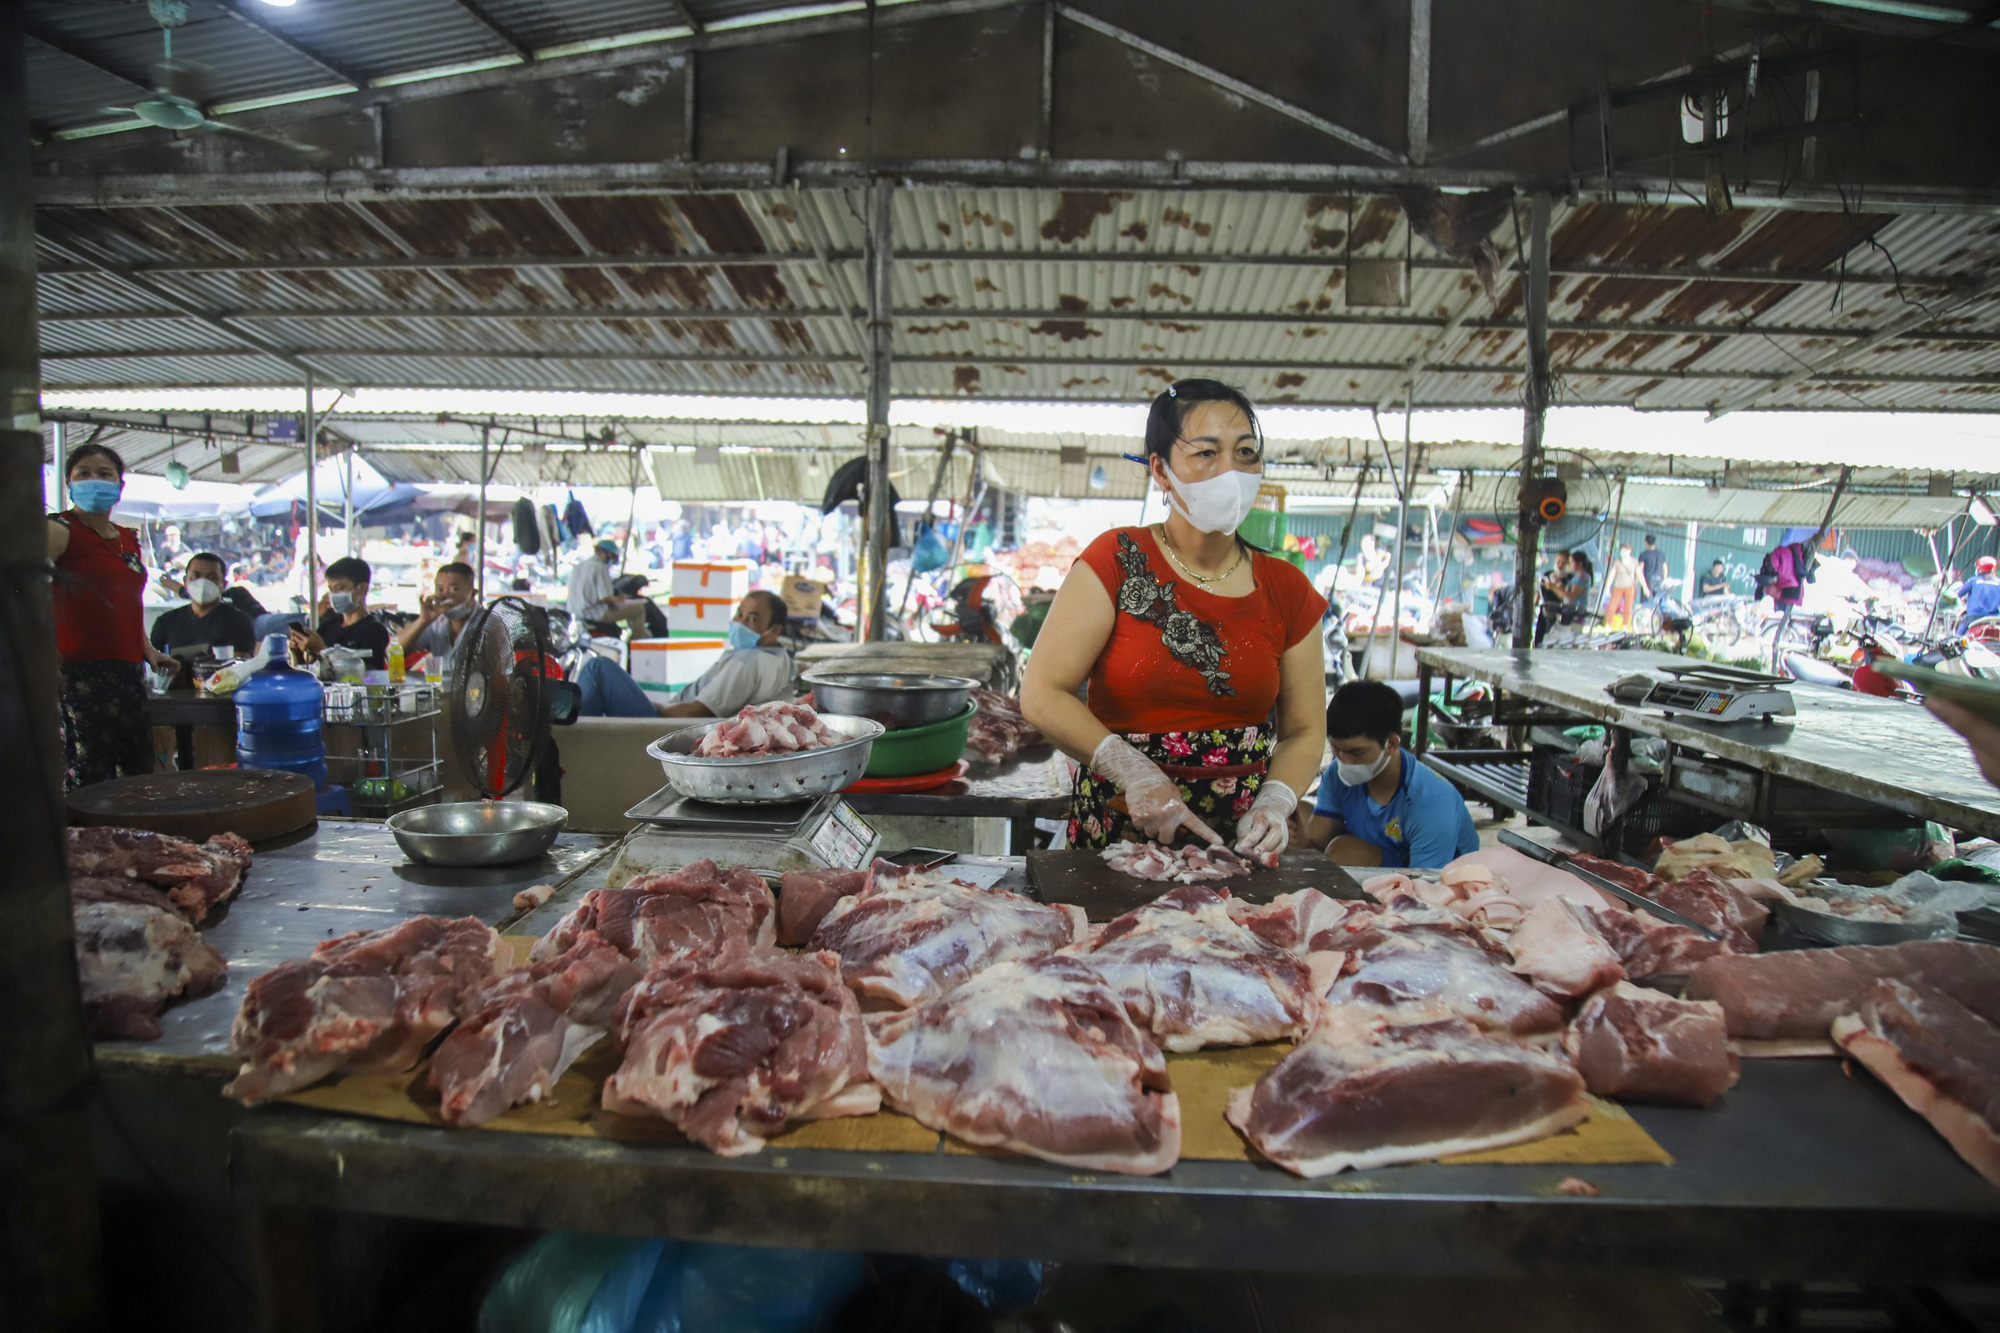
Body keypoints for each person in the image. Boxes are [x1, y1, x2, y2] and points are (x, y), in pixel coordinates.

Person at [1021, 379, 1327, 857]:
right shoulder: (1117, 560)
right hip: (1120, 833)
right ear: (1161, 471)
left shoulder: (1287, 589)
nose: (1232, 470)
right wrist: (1133, 771)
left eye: (1246, 453)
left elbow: (1305, 729)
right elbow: (1041, 694)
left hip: (1238, 843)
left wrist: (1277, 799)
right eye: (1206, 453)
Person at [48, 444, 178, 787]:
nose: (94, 481)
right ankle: (81, 841)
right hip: (76, 673)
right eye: (83, 474)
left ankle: (128, 842)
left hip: (127, 672)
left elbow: (124, 603)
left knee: (134, 770)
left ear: (120, 486)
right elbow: (22, 590)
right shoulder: (59, 530)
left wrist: (148, 649)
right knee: (85, 773)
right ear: (69, 485)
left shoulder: (127, 539)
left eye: (104, 474)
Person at [1301, 680, 1478, 868]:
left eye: (1356, 753)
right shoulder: (1337, 776)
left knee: (1344, 852)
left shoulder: (1430, 801)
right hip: (1384, 858)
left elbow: (1425, 886)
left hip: (1438, 878)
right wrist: (1294, 834)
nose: (1344, 761)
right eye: (1336, 749)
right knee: (1300, 814)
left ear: (1391, 745)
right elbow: (1316, 840)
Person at [574, 591, 794, 718]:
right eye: (739, 614)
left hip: (663, 730)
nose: (740, 623)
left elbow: (694, 713)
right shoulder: (781, 658)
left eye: (752, 619)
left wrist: (657, 707)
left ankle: (575, 739)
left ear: (773, 630)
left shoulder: (747, 662)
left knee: (599, 668)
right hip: (670, 720)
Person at [149, 551, 258, 670]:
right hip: (175, 687)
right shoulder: (166, 622)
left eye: (212, 577)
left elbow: (241, 668)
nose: (203, 582)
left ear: (224, 584)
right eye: (196, 576)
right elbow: (153, 663)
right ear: (185, 581)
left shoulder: (239, 622)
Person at [290, 555, 391, 671]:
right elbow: (310, 670)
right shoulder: (328, 626)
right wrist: (298, 652)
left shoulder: (374, 630)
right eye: (331, 589)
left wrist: (321, 651)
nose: (334, 595)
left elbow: (364, 675)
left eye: (339, 588)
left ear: (362, 588)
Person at [395, 561, 479, 676]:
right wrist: (423, 620)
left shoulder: (489, 622)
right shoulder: (438, 622)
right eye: (440, 589)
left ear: (473, 593)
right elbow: (394, 651)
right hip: (443, 691)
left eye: (453, 589)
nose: (444, 596)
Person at [567, 539, 648, 637]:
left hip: (575, 611)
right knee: (638, 609)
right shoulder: (600, 567)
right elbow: (606, 598)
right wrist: (620, 599)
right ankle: (636, 643)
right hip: (594, 614)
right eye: (611, 556)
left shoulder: (580, 566)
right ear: (603, 553)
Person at [1954, 555, 2000, 635]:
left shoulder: (1973, 580)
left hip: (1975, 617)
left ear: (1979, 569)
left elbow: (1959, 594)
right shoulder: (1998, 582)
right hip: (1995, 618)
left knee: (1957, 637)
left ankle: (1954, 642)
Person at [1604, 542, 1642, 630]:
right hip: (1618, 586)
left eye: (1625, 550)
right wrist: (1607, 587)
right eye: (1622, 550)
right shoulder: (1617, 562)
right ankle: (1608, 625)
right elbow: (1612, 575)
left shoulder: (1634, 562)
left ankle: (1625, 626)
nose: (1623, 552)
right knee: (1611, 607)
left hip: (1629, 587)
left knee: (1628, 608)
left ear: (1630, 551)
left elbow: (1639, 574)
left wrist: (1645, 587)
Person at [1638, 534, 1669, 609]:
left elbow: (1639, 569)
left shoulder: (1643, 555)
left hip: (1648, 580)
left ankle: (1645, 619)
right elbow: (1665, 568)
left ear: (1646, 543)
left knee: (1646, 602)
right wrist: (1664, 580)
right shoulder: (1661, 554)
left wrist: (1637, 581)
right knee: (1657, 602)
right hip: (1659, 581)